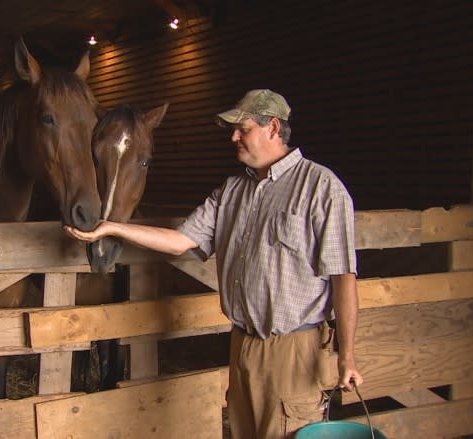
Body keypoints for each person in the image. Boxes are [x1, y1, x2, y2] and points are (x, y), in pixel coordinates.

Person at [64, 89, 363, 438]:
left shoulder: (320, 188)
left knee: (288, 433)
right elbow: (181, 241)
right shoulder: (232, 191)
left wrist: (347, 356)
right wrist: (114, 227)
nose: (233, 137)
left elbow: (344, 279)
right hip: (242, 344)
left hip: (294, 349)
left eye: (243, 128)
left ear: (273, 128)